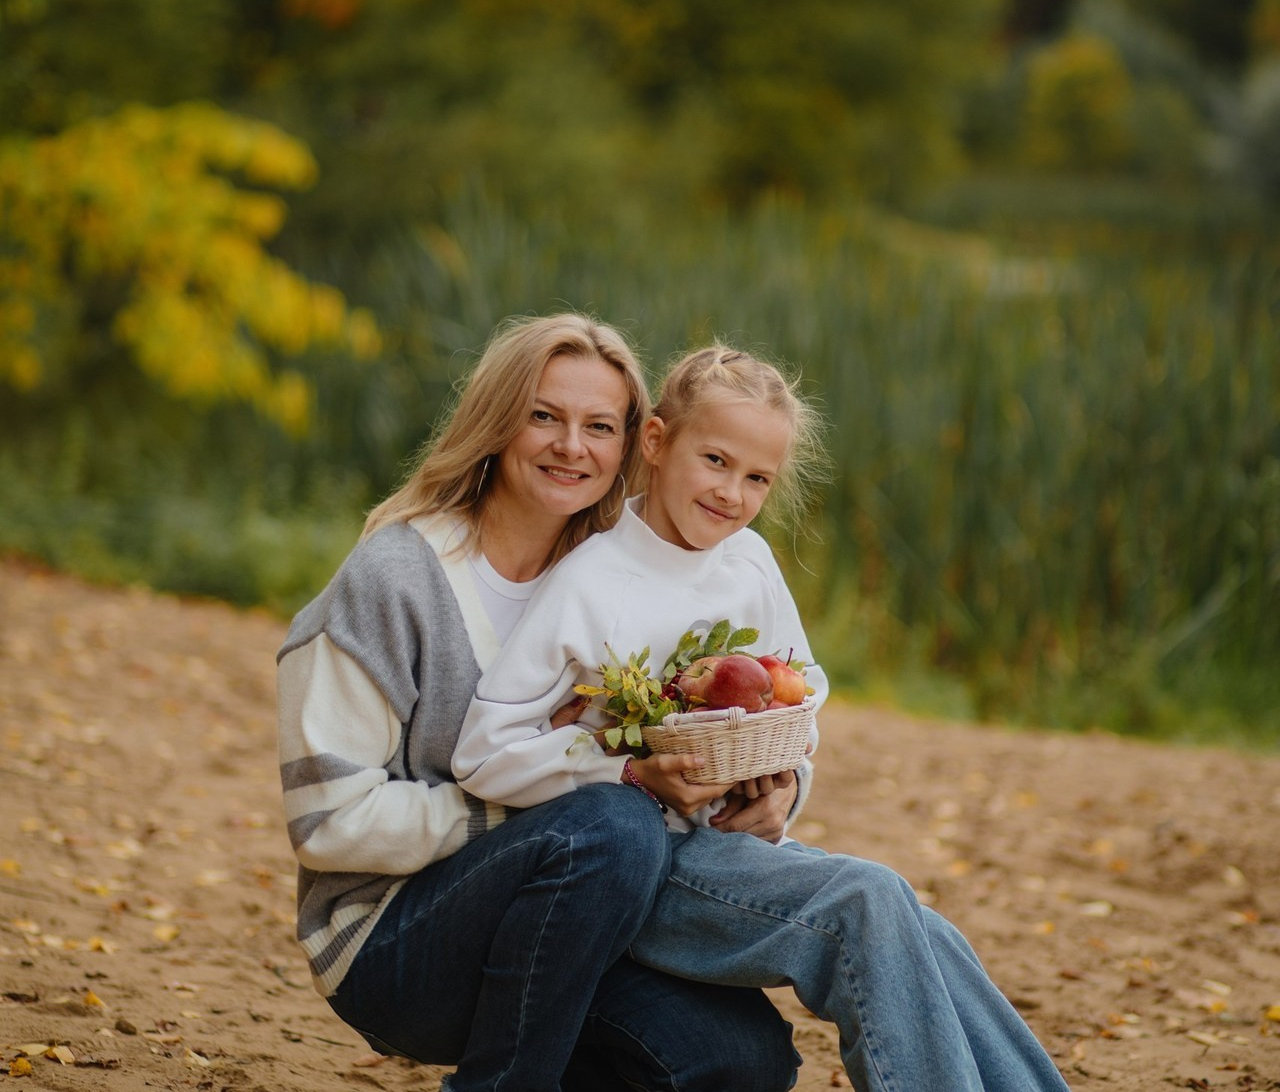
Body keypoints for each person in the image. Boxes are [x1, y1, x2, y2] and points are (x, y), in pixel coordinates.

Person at [454, 344, 1073, 1092]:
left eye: (757, 478)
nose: (732, 493)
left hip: (732, 854)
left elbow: (798, 694)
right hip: (639, 873)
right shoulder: (589, 581)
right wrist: (622, 767)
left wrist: (786, 786)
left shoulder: (747, 561)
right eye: (715, 460)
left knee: (919, 926)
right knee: (866, 902)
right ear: (655, 442)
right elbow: (483, 754)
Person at [275, 316, 803, 1092]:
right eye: (544, 416)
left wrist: (777, 788)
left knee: (742, 1057)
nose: (572, 446)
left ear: (636, 443)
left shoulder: (609, 579)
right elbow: (328, 824)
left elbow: (706, 726)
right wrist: (558, 794)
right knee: (613, 823)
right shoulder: (394, 581)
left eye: (599, 427)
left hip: (569, 925)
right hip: (392, 940)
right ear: (496, 420)